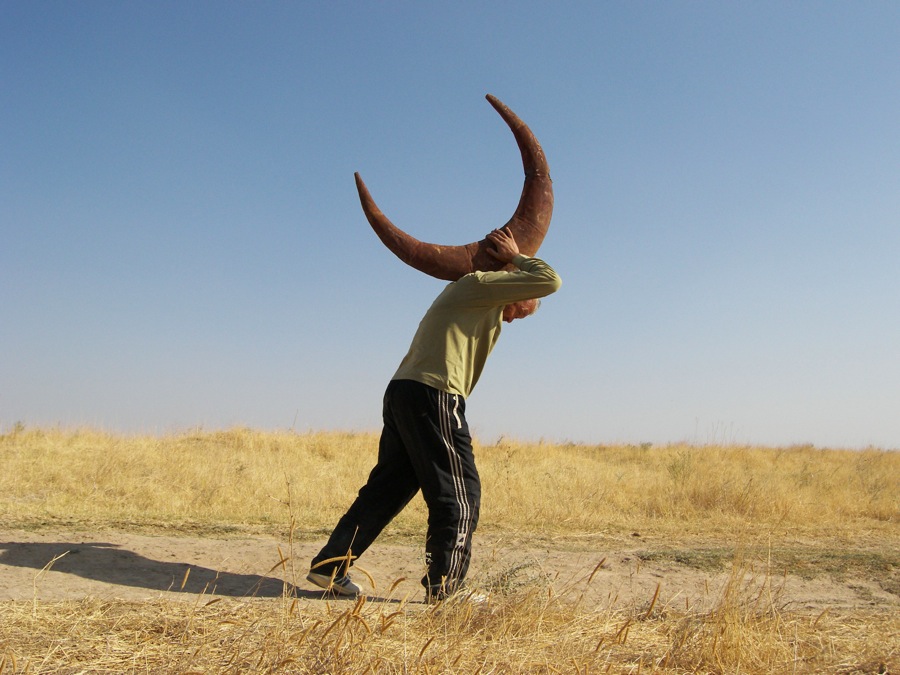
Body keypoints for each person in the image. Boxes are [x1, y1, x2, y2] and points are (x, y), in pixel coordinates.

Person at [307, 226, 561, 601]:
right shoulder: (478, 287)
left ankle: (329, 566)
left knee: (386, 491)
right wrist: (515, 256)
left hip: (405, 391)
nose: (511, 320)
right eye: (518, 310)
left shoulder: (473, 300)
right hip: (435, 394)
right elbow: (550, 280)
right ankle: (446, 588)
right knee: (460, 494)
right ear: (511, 286)